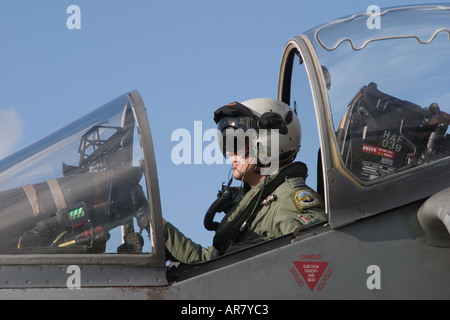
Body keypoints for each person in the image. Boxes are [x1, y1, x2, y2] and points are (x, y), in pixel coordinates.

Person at [163, 98, 327, 264]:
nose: (229, 153)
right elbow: (211, 263)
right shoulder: (258, 206)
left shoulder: (287, 201)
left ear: (267, 143)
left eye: (237, 142)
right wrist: (161, 229)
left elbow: (320, 252)